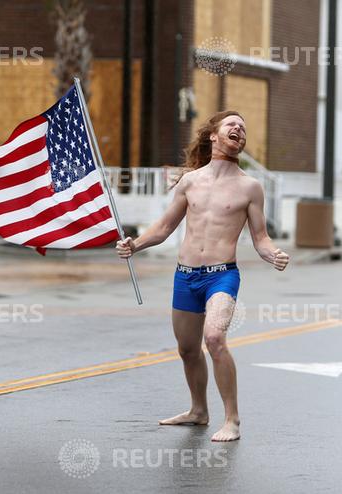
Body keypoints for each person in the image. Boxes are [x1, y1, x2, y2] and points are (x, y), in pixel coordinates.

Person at [116, 110, 290, 442]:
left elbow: (260, 238)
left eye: (243, 126)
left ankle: (232, 420)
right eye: (232, 124)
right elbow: (165, 227)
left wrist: (273, 255)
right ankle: (198, 411)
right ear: (214, 135)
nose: (239, 129)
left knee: (214, 338)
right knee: (187, 349)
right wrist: (134, 244)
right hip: (185, 276)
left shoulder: (250, 187)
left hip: (221, 275)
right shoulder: (190, 182)